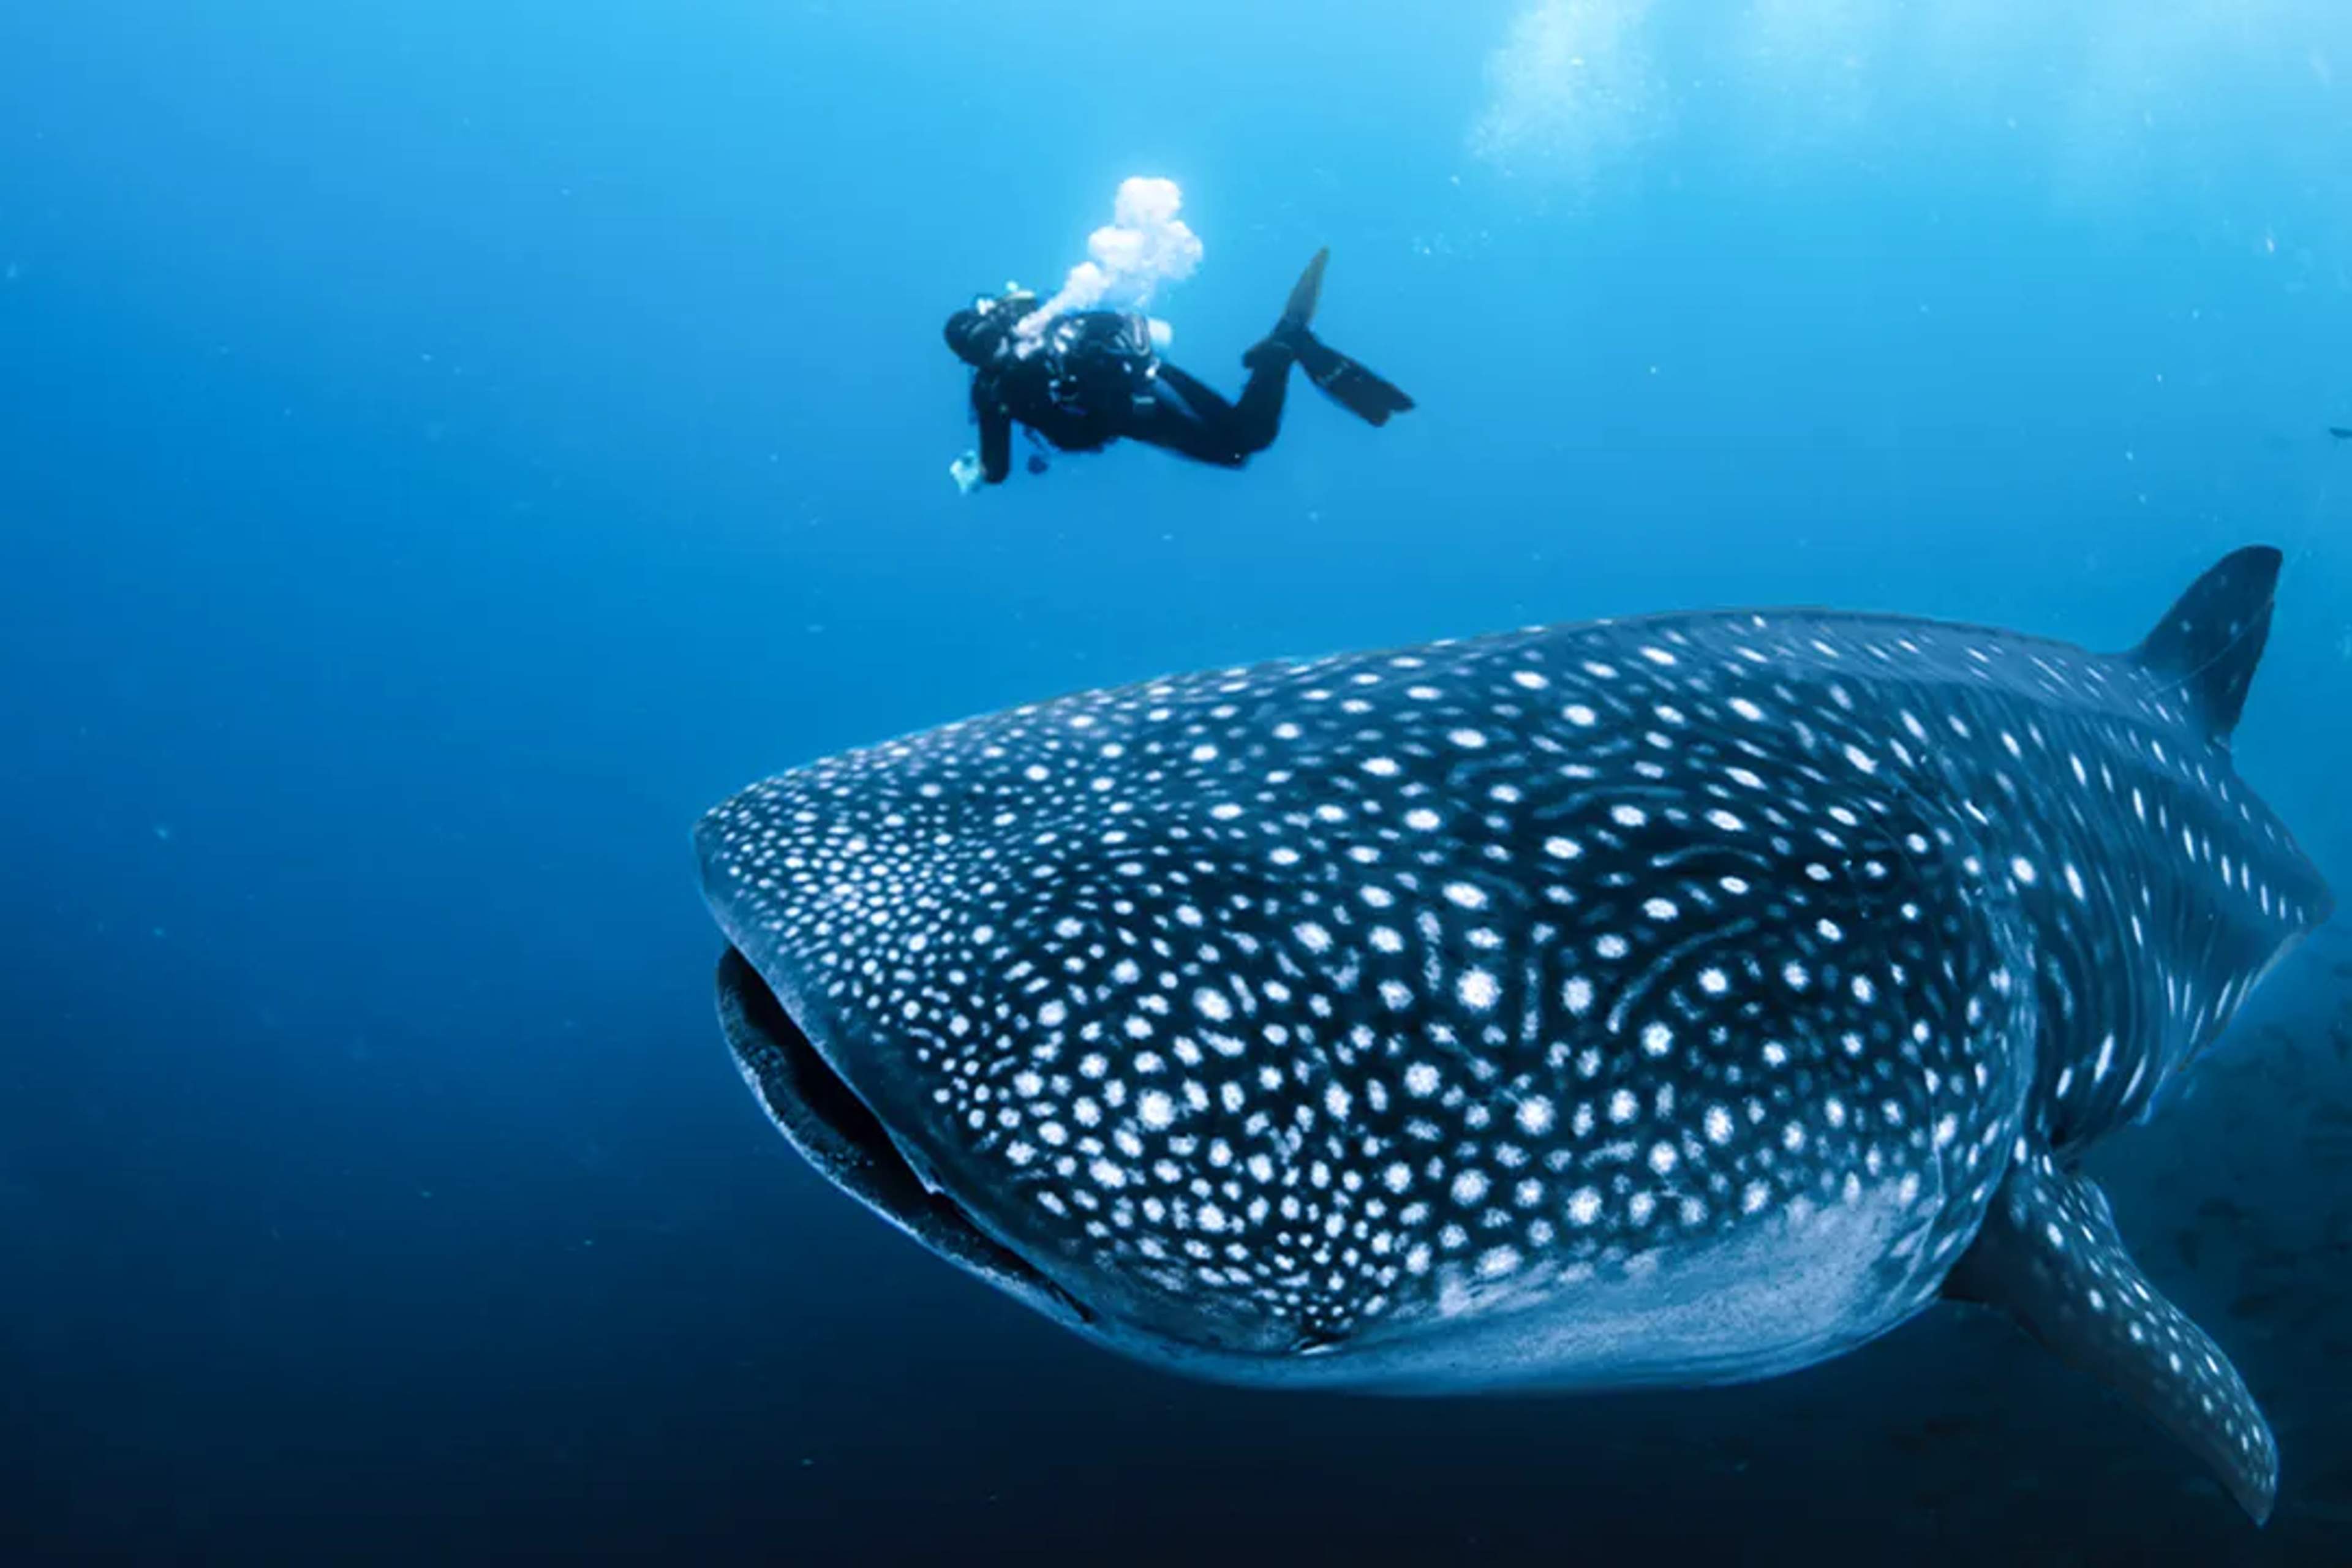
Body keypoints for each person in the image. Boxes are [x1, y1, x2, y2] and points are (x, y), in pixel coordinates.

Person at [942, 250, 1413, 489]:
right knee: (1241, 447)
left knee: (1246, 443)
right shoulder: (1011, 366)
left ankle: (1282, 347)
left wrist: (973, 476)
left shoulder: (993, 387)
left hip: (1142, 398)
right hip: (1146, 396)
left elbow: (998, 469)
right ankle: (1282, 347)